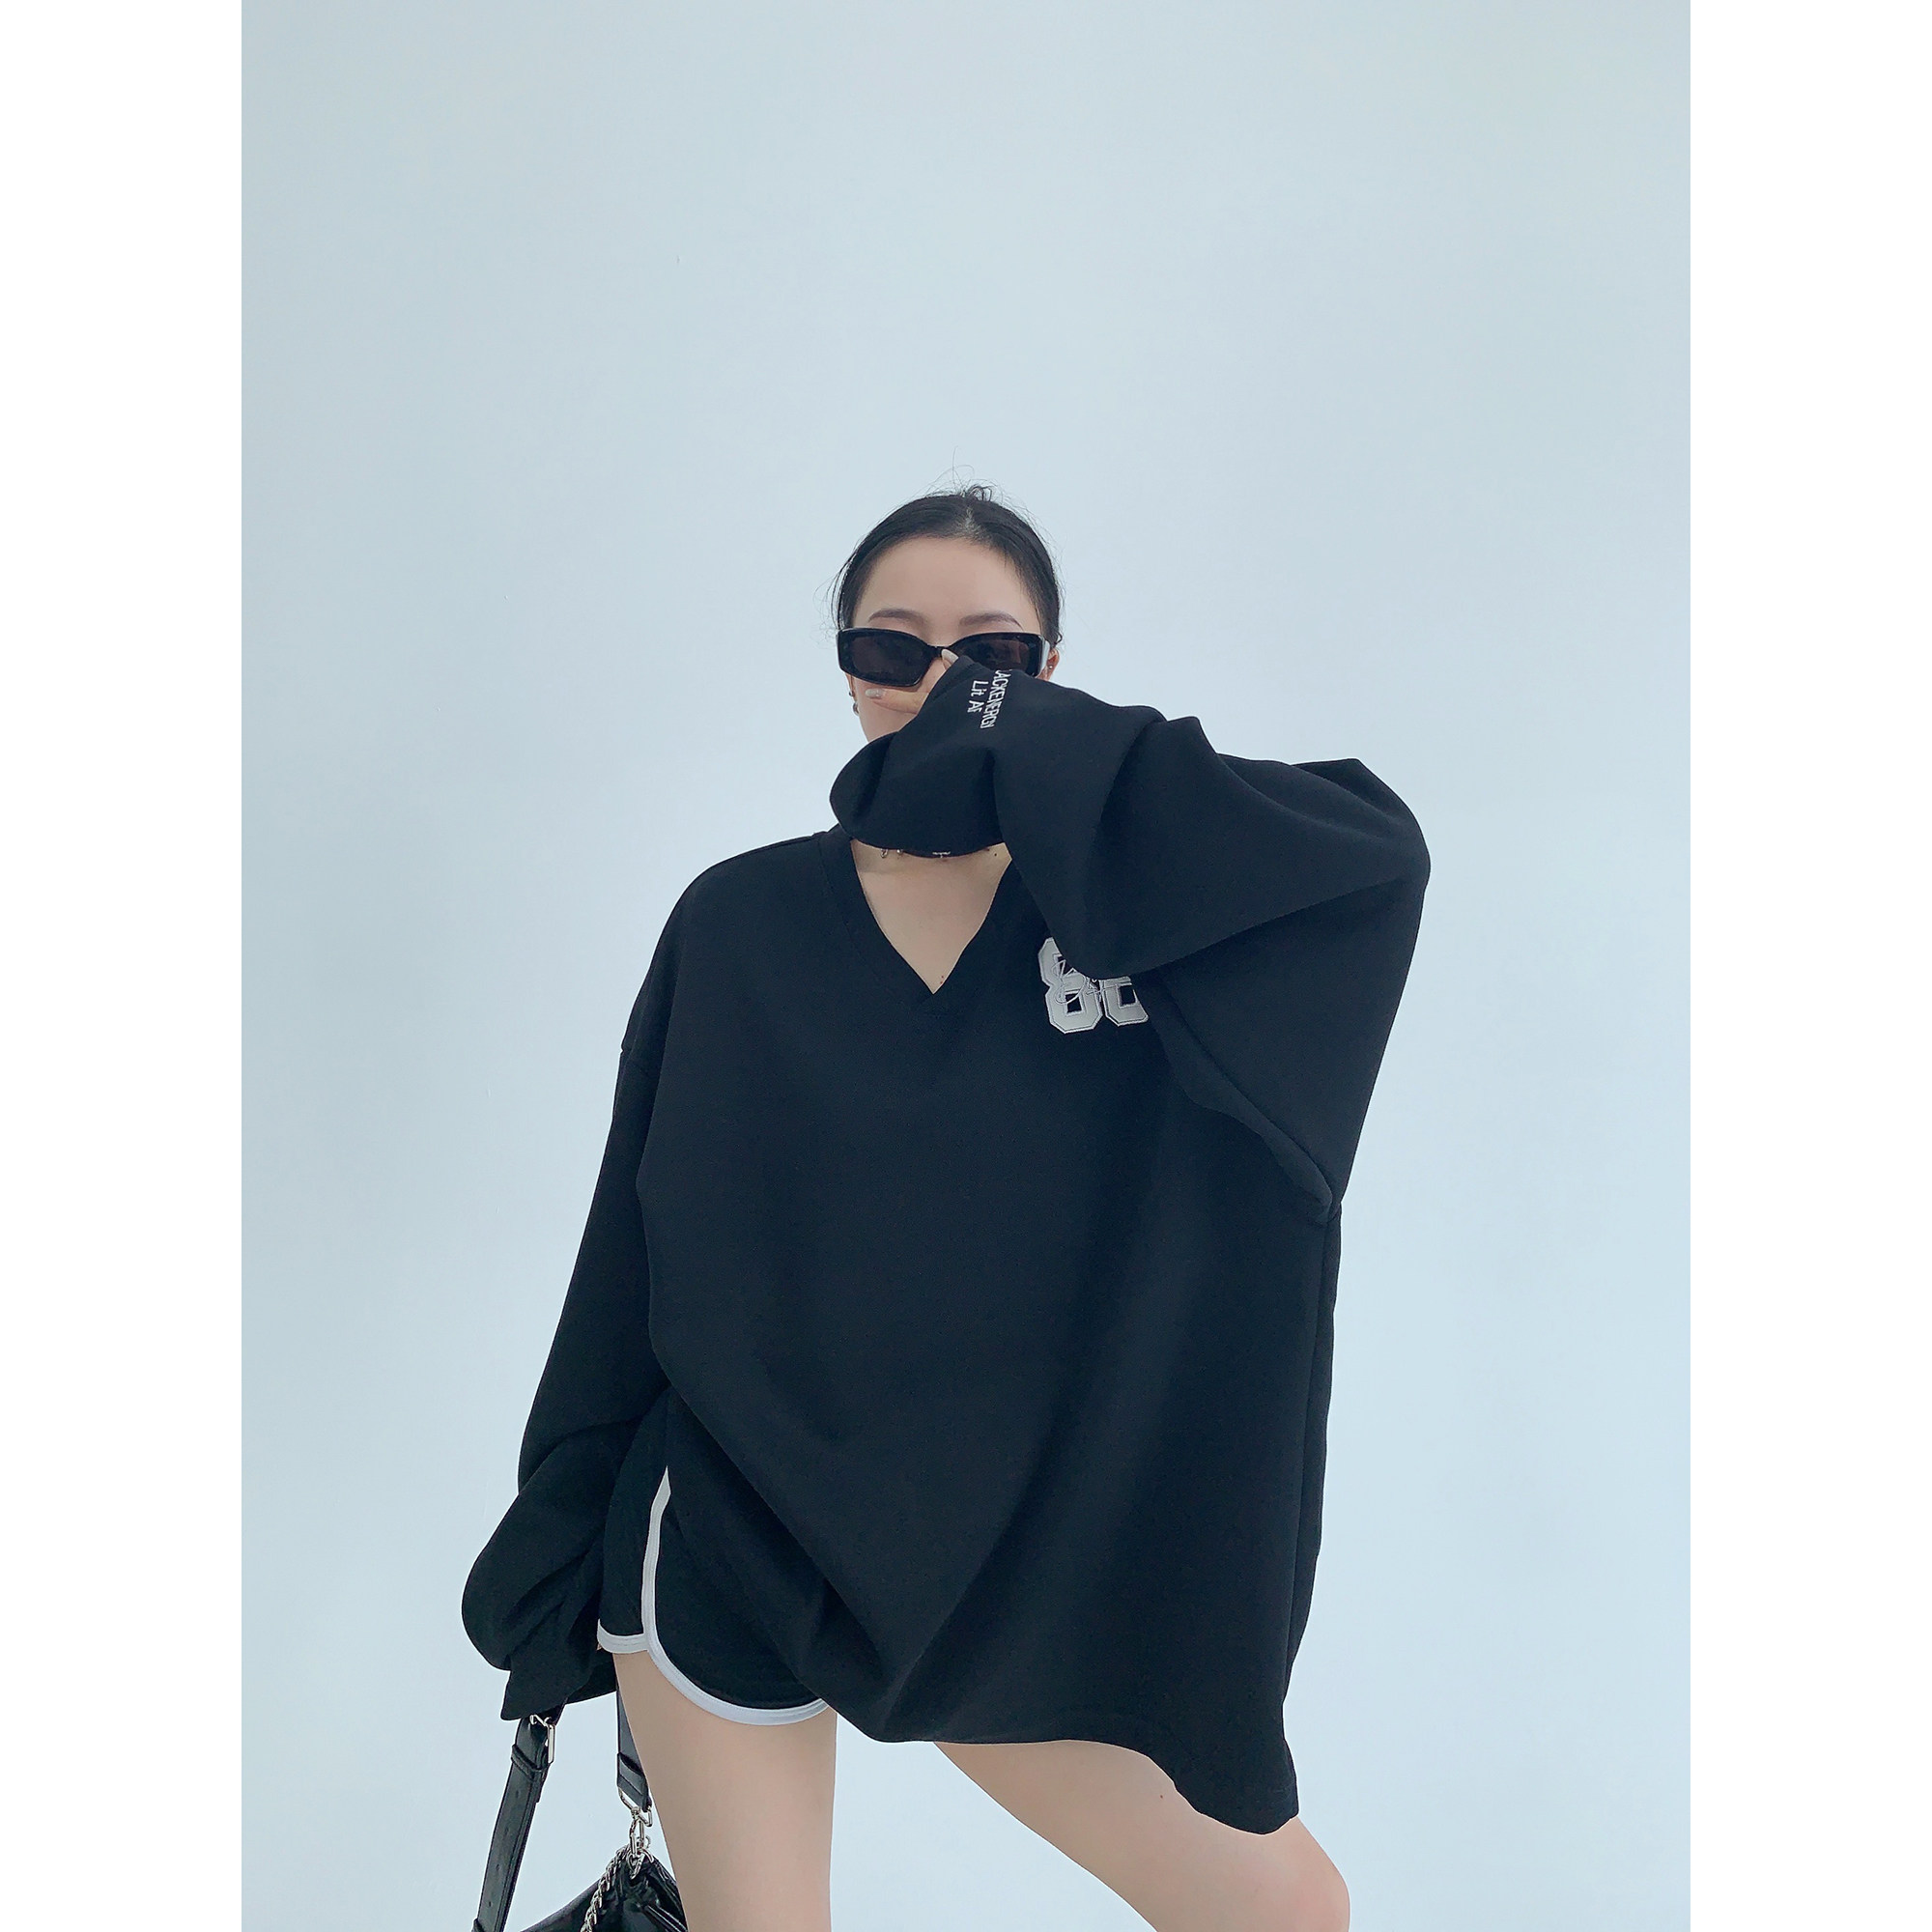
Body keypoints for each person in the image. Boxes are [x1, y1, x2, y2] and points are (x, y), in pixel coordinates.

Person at [464, 485, 1429, 1932]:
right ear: (847, 672)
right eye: (893, 646)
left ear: (1055, 676)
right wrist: (551, 1565)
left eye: (993, 655)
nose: (940, 683)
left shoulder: (1160, 937)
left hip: (1021, 1570)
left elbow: (1374, 864)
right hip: (734, 1537)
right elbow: (632, 1254)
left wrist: (1024, 746)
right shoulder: (739, 921)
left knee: (1284, 1913)